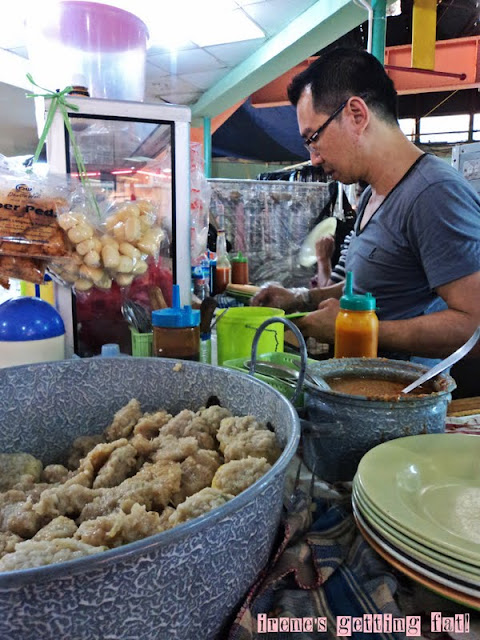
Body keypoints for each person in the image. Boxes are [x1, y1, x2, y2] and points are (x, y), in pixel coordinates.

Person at [251, 47, 480, 362]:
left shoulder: (434, 194)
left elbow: (474, 326)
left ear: (356, 114)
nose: (313, 158)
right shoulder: (372, 195)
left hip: (405, 391)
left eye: (313, 138)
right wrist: (302, 298)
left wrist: (353, 329)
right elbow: (366, 288)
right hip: (363, 384)